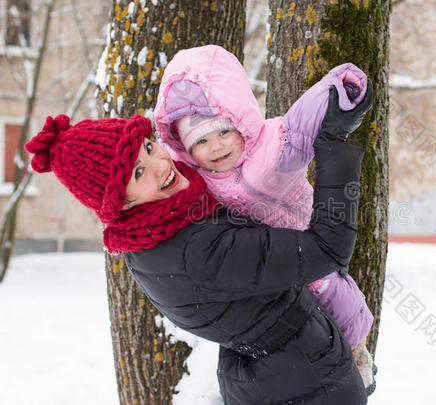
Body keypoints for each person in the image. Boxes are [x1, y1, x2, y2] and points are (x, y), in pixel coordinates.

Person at [24, 80, 373, 404]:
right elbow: (326, 249)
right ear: (121, 203)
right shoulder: (196, 251)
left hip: (287, 377)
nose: (160, 165)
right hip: (308, 386)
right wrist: (333, 145)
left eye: (149, 148)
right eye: (138, 173)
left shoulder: (153, 235)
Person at [153, 45, 375, 390]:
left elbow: (301, 123)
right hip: (273, 264)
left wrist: (336, 90)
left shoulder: (271, 146)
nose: (216, 147)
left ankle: (358, 356)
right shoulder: (198, 180)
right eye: (202, 141)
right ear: (185, 148)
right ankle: (333, 366)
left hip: (312, 236)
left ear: (241, 119)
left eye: (224, 131)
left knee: (339, 299)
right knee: (300, 318)